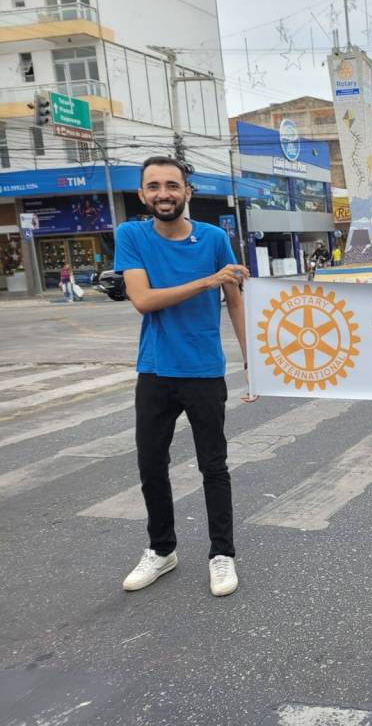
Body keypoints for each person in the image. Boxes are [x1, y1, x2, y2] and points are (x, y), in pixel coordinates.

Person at [116, 156, 257, 598]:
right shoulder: (131, 235)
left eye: (172, 185)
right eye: (154, 186)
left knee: (213, 466)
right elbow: (142, 299)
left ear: (187, 193)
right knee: (151, 465)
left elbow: (236, 301)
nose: (164, 194)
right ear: (142, 194)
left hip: (203, 371)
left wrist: (253, 361)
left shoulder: (214, 238)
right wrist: (207, 281)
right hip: (155, 370)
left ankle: (222, 554)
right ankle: (162, 550)